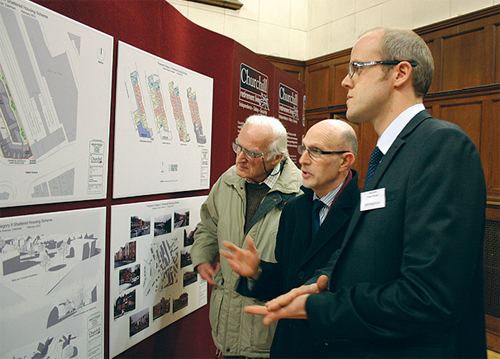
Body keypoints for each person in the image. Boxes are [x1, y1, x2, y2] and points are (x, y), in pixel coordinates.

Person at [245, 27, 487, 359]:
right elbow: (374, 254)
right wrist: (321, 280)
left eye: (357, 68)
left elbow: (429, 297)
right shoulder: (388, 157)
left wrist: (320, 308)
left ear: (400, 73)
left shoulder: (441, 146)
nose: (346, 81)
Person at [220, 119, 360, 358]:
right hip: (290, 346)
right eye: (303, 149)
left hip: (336, 347)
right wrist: (257, 271)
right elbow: (287, 282)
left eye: (315, 152)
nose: (302, 160)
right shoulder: (294, 209)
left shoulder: (364, 213)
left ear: (344, 161)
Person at [190, 115, 302, 359]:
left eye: (251, 153)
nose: (239, 157)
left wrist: (258, 270)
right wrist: (202, 256)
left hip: (266, 333)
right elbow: (209, 224)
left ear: (276, 157)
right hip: (225, 325)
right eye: (238, 147)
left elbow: (303, 272)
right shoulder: (229, 180)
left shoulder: (301, 194)